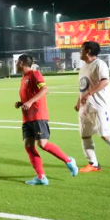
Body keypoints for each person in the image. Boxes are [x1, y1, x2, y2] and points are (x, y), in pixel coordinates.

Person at [14, 54, 78, 186]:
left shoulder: (34, 74)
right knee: (29, 146)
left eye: (16, 63)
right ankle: (41, 177)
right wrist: (21, 103)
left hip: (38, 115)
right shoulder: (23, 78)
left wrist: (30, 102)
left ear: (21, 63)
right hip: (27, 118)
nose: (15, 65)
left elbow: (45, 89)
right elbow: (30, 96)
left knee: (42, 144)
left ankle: (68, 161)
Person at [76, 42, 110, 172]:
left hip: (100, 106)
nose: (80, 52)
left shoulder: (99, 64)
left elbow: (105, 81)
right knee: (85, 135)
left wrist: (89, 94)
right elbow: (83, 86)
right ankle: (93, 164)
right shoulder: (83, 67)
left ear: (88, 51)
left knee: (104, 134)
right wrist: (78, 101)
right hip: (85, 107)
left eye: (81, 49)